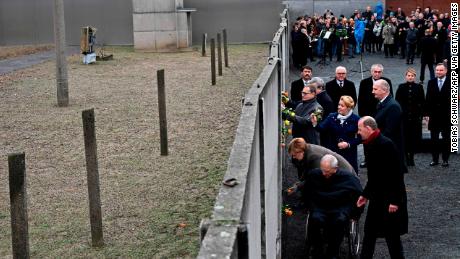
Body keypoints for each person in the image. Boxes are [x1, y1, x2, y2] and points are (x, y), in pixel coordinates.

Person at [356, 116, 408, 259]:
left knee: (392, 237)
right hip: (377, 198)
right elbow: (374, 176)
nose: (358, 132)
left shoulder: (386, 145)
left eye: (360, 129)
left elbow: (396, 174)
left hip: (390, 199)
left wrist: (395, 201)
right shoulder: (369, 143)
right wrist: (365, 195)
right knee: (369, 233)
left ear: (368, 128)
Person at [302, 154, 362, 259]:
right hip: (320, 206)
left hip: (340, 207)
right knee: (314, 219)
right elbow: (306, 192)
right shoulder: (314, 175)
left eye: (327, 171)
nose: (324, 173)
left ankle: (333, 251)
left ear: (336, 169)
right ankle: (317, 248)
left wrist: (356, 214)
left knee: (339, 221)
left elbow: (360, 197)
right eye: (322, 170)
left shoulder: (349, 178)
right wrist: (308, 205)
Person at [312, 95, 361, 173]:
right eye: (338, 104)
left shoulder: (356, 119)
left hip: (349, 153)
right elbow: (321, 128)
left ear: (348, 108)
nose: (339, 107)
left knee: (349, 174)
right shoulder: (332, 116)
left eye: (342, 106)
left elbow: (360, 138)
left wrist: (348, 144)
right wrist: (315, 123)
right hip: (333, 151)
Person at [373, 79, 407, 173]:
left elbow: (389, 131)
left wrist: (374, 139)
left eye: (375, 89)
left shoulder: (393, 106)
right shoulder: (383, 103)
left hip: (391, 151)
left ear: (384, 90)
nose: (373, 92)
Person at [395, 68, 425, 166]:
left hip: (415, 117)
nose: (410, 77)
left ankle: (411, 157)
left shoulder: (419, 87)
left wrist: (422, 115)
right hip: (404, 117)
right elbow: (397, 102)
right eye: (408, 75)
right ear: (406, 76)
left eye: (412, 76)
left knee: (413, 138)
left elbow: (422, 102)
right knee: (405, 138)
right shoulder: (401, 87)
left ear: (415, 77)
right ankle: (405, 157)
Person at [288, 137, 355, 180]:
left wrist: (299, 186)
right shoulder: (306, 149)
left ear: (301, 151)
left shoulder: (313, 156)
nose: (293, 157)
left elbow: (317, 177)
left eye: (294, 155)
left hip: (345, 172)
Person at [424, 63, 451, 167]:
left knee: (446, 139)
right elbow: (428, 99)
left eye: (441, 70)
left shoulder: (451, 82)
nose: (438, 72)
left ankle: (445, 159)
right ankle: (435, 159)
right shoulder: (431, 82)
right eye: (437, 70)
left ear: (446, 71)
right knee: (433, 139)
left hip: (447, 115)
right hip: (434, 115)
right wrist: (426, 114)